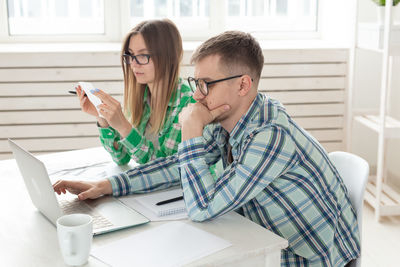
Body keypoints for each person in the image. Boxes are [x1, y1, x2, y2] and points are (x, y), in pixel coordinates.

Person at [54, 31, 360, 266]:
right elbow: (176, 165)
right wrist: (106, 185)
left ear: (243, 85)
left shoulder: (270, 135)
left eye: (206, 84)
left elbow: (202, 208)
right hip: (266, 237)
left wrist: (191, 130)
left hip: (309, 258)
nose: (197, 95)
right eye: (195, 82)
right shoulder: (226, 118)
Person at [75, 19, 194, 165]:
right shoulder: (141, 97)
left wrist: (124, 127)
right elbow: (121, 158)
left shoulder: (188, 103)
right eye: (130, 55)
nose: (133, 64)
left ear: (168, 57)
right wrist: (103, 117)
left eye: (143, 55)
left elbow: (165, 168)